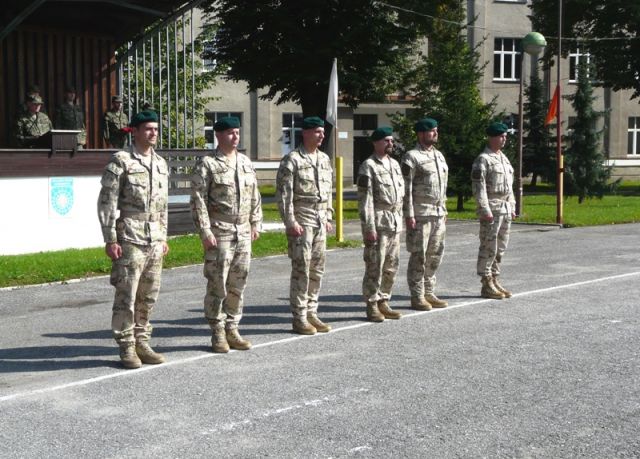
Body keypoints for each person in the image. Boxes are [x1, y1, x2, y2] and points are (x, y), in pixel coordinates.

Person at [97, 110, 169, 369]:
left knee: (149, 294)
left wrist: (163, 235)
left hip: (154, 238)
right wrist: (110, 239)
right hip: (130, 236)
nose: (153, 133)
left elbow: (163, 205)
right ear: (135, 131)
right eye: (148, 129)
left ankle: (142, 341)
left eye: (156, 129)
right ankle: (127, 345)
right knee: (127, 294)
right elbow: (107, 202)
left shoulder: (160, 163)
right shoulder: (122, 161)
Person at [190, 116, 263, 353]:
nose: (235, 137)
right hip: (220, 230)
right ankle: (218, 331)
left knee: (238, 283)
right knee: (218, 283)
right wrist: (204, 230)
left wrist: (256, 222)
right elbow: (198, 200)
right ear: (218, 135)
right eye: (230, 133)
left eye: (237, 132)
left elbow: (255, 195)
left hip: (243, 231)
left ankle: (232, 327)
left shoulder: (245, 162)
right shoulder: (208, 164)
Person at [276, 116, 334, 335]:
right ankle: (299, 316)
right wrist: (290, 221)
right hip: (302, 221)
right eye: (317, 131)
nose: (322, 135)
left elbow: (328, 191)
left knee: (317, 270)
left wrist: (328, 215)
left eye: (323, 132)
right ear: (306, 133)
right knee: (302, 269)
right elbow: (284, 195)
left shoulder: (324, 159)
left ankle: (312, 312)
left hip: (320, 220)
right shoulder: (292, 160)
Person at [357, 126, 405, 322]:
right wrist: (369, 228)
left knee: (391, 265)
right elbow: (365, 200)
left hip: (395, 221)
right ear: (376, 143)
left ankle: (384, 300)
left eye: (391, 140)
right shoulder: (368, 166)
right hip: (379, 222)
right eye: (386, 140)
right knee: (374, 266)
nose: (390, 143)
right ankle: (372, 304)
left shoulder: (394, 164)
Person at [401, 117, 449, 311]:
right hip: (420, 214)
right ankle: (417, 295)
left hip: (438, 213)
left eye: (436, 130)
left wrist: (444, 209)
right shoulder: (411, 157)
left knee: (435, 255)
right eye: (431, 130)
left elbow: (443, 187)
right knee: (418, 256)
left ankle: (429, 291)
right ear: (421, 133)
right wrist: (409, 214)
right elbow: (406, 188)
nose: (435, 133)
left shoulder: (439, 156)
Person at [471, 121, 515, 300]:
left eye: (505, 136)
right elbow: (479, 188)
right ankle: (486, 281)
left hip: (504, 208)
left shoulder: (504, 158)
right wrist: (484, 210)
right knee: (489, 246)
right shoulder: (483, 159)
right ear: (492, 137)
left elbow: (509, 187)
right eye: (501, 136)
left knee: (500, 247)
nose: (504, 139)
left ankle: (495, 278)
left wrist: (512, 206)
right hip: (492, 208)